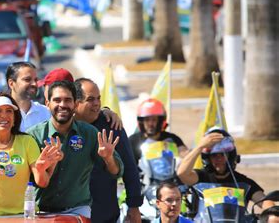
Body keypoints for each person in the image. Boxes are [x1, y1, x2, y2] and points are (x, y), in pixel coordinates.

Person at [27, 80, 123, 219]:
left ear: (76, 104)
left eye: (68, 100)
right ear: (48, 104)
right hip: (41, 212)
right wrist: (43, 167)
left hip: (78, 211)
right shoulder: (33, 136)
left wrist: (108, 158)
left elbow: (117, 172)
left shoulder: (89, 133)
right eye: (57, 100)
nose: (62, 105)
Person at [0, 92, 63, 216]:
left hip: (22, 216)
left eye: (9, 111)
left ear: (14, 118)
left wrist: (41, 168)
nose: (4, 115)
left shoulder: (27, 142)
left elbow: (42, 182)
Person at [74, 78, 142, 223]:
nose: (96, 103)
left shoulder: (112, 126)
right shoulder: (65, 127)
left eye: (98, 98)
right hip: (72, 214)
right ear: (75, 102)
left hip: (105, 213)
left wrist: (134, 206)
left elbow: (130, 168)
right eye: (90, 99)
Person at [177, 128, 275, 208]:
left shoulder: (243, 182)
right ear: (208, 158)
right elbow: (182, 173)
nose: (218, 159)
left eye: (222, 155)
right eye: (214, 155)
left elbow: (264, 201)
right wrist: (200, 147)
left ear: (230, 156)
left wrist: (271, 211)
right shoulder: (200, 178)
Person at [38, 68, 123, 130]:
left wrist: (104, 112)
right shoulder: (37, 113)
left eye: (45, 86)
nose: (62, 106)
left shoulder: (90, 131)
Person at [128, 98, 188, 165]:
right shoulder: (133, 141)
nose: (150, 123)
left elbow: (184, 153)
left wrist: (189, 153)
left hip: (170, 174)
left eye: (154, 120)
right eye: (147, 120)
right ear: (142, 122)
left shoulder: (173, 139)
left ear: (160, 121)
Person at [6, 62, 51, 132]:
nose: (34, 84)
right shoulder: (2, 114)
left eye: (36, 80)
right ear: (11, 84)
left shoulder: (46, 112)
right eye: (27, 80)